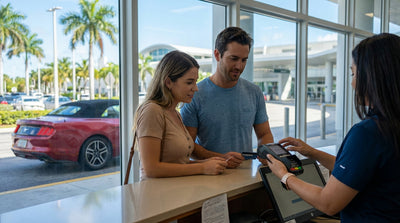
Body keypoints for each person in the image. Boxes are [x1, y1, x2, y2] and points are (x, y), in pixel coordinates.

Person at [261, 33, 400, 222]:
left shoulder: (368, 133)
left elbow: (328, 203)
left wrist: (284, 176)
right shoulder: (391, 125)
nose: (352, 83)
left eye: (353, 73)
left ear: (372, 76)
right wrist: (313, 153)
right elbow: (356, 171)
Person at [181, 27, 274, 168]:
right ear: (217, 55)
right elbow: (188, 146)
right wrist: (221, 158)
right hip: (208, 176)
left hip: (246, 176)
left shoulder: (254, 92)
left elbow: (264, 133)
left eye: (244, 60)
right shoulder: (195, 94)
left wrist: (266, 153)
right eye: (234, 59)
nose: (239, 66)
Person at [134, 50, 228, 180]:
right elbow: (151, 168)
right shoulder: (152, 111)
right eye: (189, 82)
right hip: (157, 197)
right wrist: (202, 168)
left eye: (195, 82)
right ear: (168, 82)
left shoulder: (175, 113)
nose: (195, 88)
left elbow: (177, 165)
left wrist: (207, 162)